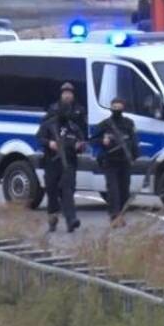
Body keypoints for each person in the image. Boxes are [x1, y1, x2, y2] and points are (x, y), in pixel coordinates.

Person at [36, 82, 87, 233]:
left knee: (67, 189)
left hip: (69, 162)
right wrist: (50, 143)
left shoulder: (73, 126)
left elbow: (82, 141)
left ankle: (71, 220)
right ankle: (52, 217)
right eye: (64, 92)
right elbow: (39, 137)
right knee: (51, 189)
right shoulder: (49, 124)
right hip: (52, 162)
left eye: (69, 92)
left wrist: (79, 146)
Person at [92, 98, 140, 226]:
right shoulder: (105, 125)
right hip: (110, 161)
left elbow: (134, 142)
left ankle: (121, 214)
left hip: (125, 161)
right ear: (111, 108)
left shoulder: (129, 123)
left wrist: (134, 157)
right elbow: (93, 140)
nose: (117, 110)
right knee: (113, 189)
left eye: (119, 107)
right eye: (114, 107)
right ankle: (114, 215)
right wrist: (103, 141)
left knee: (124, 190)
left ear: (123, 108)